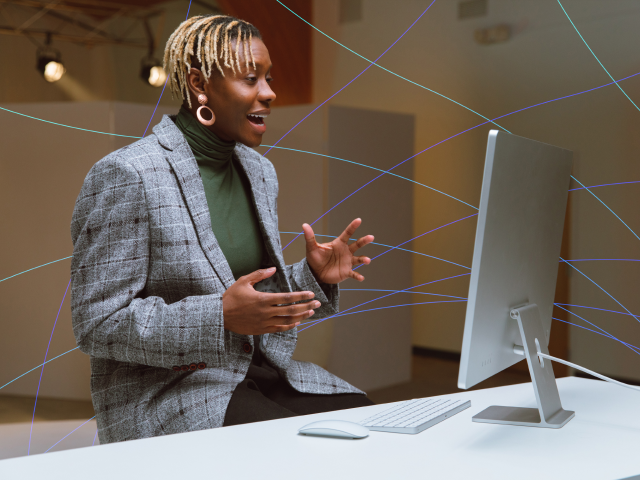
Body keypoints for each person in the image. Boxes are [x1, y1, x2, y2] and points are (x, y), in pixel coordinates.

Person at [70, 14, 375, 444]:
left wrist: (314, 278)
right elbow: (96, 324)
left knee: (370, 426)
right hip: (165, 393)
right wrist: (219, 317)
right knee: (296, 450)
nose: (269, 93)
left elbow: (251, 302)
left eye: (268, 78)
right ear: (199, 84)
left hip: (257, 373)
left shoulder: (259, 171)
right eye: (251, 79)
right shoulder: (128, 174)